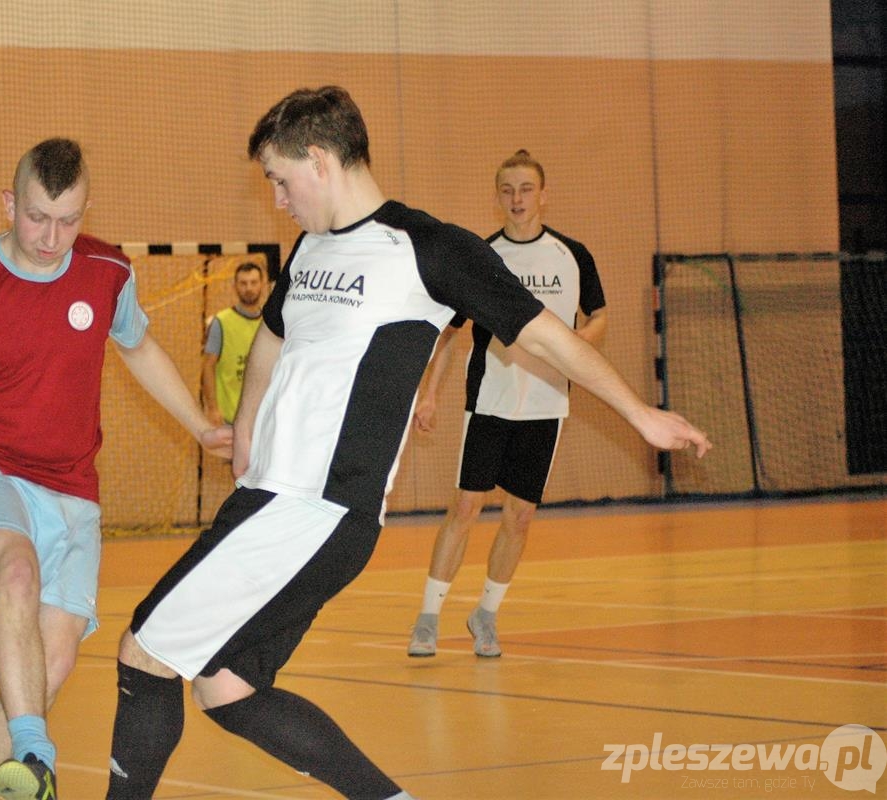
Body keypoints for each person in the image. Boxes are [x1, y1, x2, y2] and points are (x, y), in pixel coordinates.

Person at [103, 86, 710, 800]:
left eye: (279, 178)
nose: (276, 198)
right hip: (274, 500)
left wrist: (638, 413)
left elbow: (545, 335)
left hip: (313, 507)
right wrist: (244, 431)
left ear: (320, 161)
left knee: (144, 655)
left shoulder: (427, 249)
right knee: (227, 688)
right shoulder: (309, 248)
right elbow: (272, 336)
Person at [0, 138, 230, 800]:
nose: (51, 236)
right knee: (15, 569)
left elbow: (140, 347)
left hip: (72, 488)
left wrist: (202, 425)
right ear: (9, 203)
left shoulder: (105, 273)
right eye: (37, 217)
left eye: (68, 220)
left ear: (85, 208)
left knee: (54, 659)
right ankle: (36, 759)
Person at [406, 150, 607, 659]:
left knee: (519, 517)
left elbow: (600, 315)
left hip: (546, 404)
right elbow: (450, 334)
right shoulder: (481, 256)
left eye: (525, 189)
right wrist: (429, 394)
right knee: (467, 506)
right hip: (489, 400)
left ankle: (486, 616)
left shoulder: (572, 255)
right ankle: (428, 618)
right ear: (497, 196)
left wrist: (575, 348)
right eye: (507, 190)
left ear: (543, 194)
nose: (517, 199)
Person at [201, 261, 266, 425]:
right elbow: (208, 366)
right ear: (235, 286)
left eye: (253, 282)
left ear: (262, 284)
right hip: (231, 416)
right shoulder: (221, 322)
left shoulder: (270, 322)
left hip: (263, 416)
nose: (249, 288)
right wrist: (213, 408)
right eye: (243, 283)